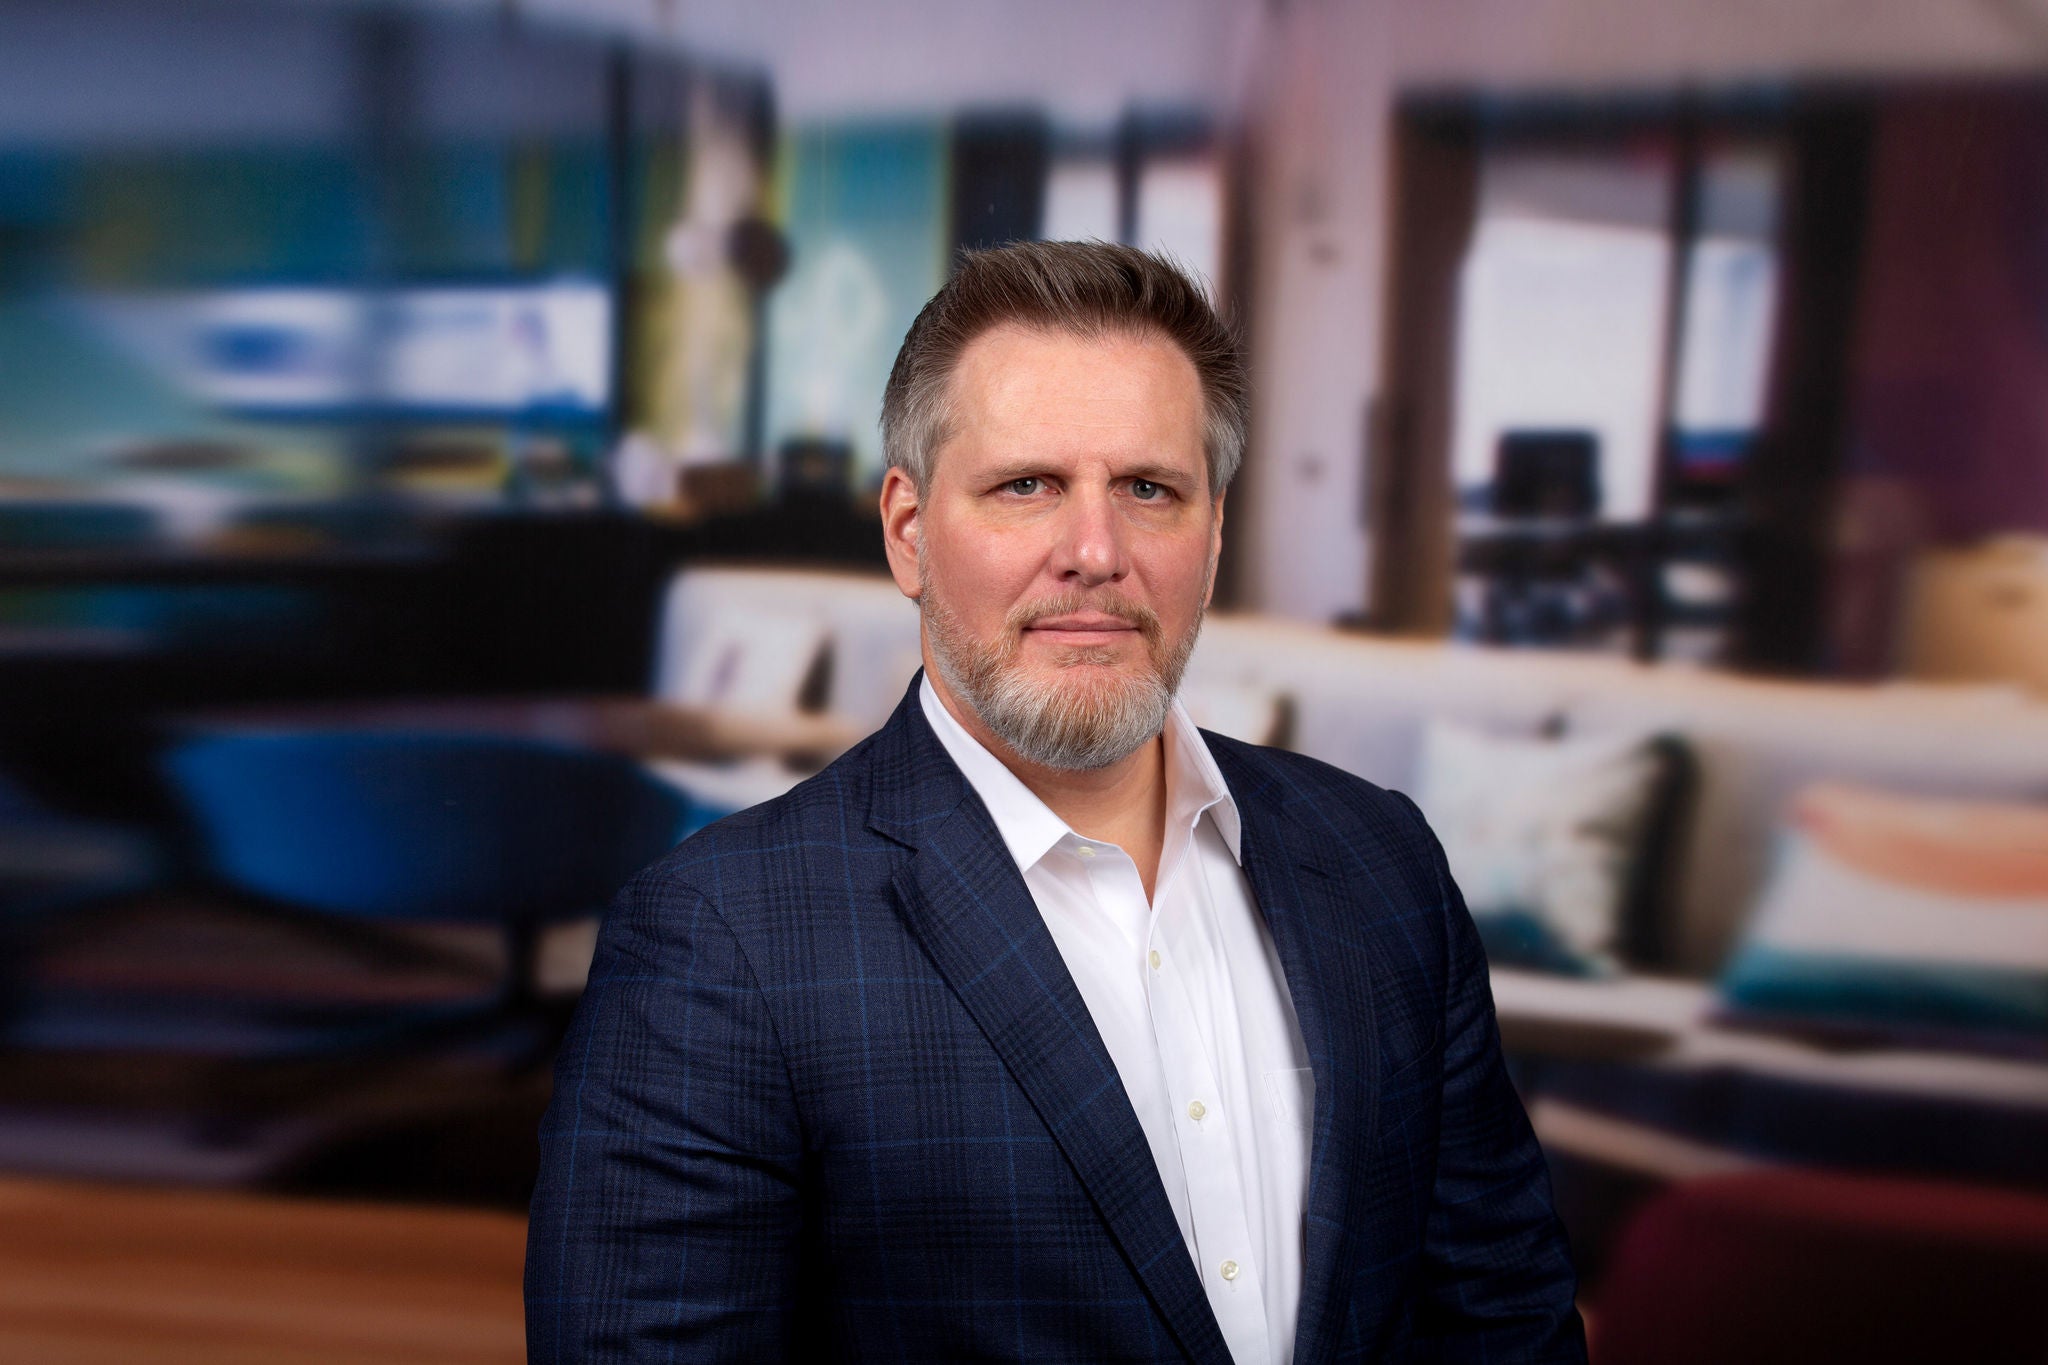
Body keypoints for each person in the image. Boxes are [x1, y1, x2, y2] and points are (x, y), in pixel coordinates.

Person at [526, 241, 1586, 1363]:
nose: (1094, 551)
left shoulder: (1381, 861)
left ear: (1213, 537)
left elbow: (1505, 1326)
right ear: (908, 532)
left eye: (1149, 490)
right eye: (1025, 485)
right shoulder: (719, 939)